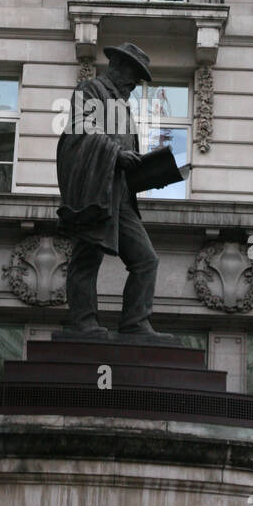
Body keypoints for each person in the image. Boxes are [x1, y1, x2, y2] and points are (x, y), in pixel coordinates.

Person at [56, 42, 161, 338]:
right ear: (118, 67)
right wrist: (115, 154)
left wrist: (147, 173)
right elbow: (79, 128)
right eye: (133, 74)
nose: (135, 83)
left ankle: (135, 323)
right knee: (87, 257)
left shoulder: (121, 102)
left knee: (145, 259)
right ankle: (82, 322)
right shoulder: (91, 90)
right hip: (95, 192)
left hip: (121, 194)